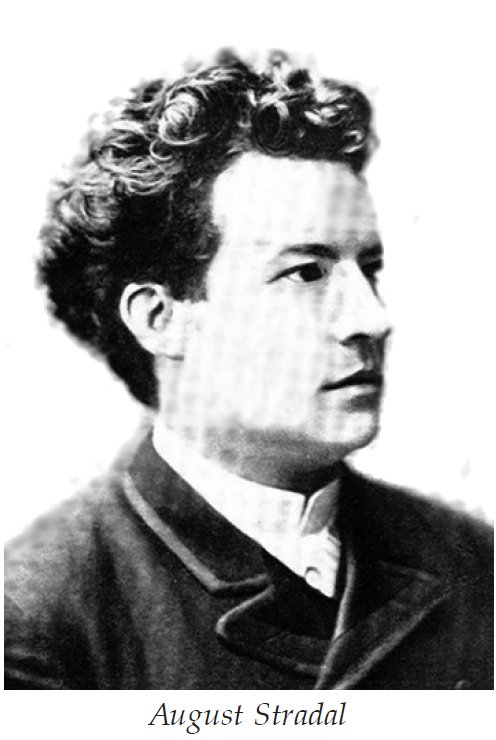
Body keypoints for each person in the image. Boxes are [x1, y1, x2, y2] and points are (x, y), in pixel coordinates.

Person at [4, 50, 493, 690]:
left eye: (368, 270)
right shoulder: (41, 616)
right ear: (160, 318)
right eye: (306, 273)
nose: (372, 319)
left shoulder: (473, 562)